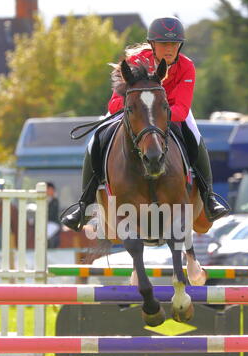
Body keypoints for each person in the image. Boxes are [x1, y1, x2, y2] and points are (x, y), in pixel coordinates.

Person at [61, 17, 229, 232]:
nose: (169, 49)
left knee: (196, 138)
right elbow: (114, 103)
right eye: (164, 44)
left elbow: (182, 108)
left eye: (174, 44)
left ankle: (208, 197)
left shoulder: (187, 67)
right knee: (95, 139)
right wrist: (138, 113)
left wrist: (156, 117)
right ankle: (84, 203)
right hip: (134, 113)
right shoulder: (135, 62)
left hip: (171, 113)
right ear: (152, 45)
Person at [46, 182, 61, 248]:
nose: (49, 191)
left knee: (46, 234)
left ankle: (50, 248)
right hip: (46, 223)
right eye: (48, 189)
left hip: (53, 223)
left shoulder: (55, 201)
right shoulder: (44, 200)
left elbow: (51, 214)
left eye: (51, 189)